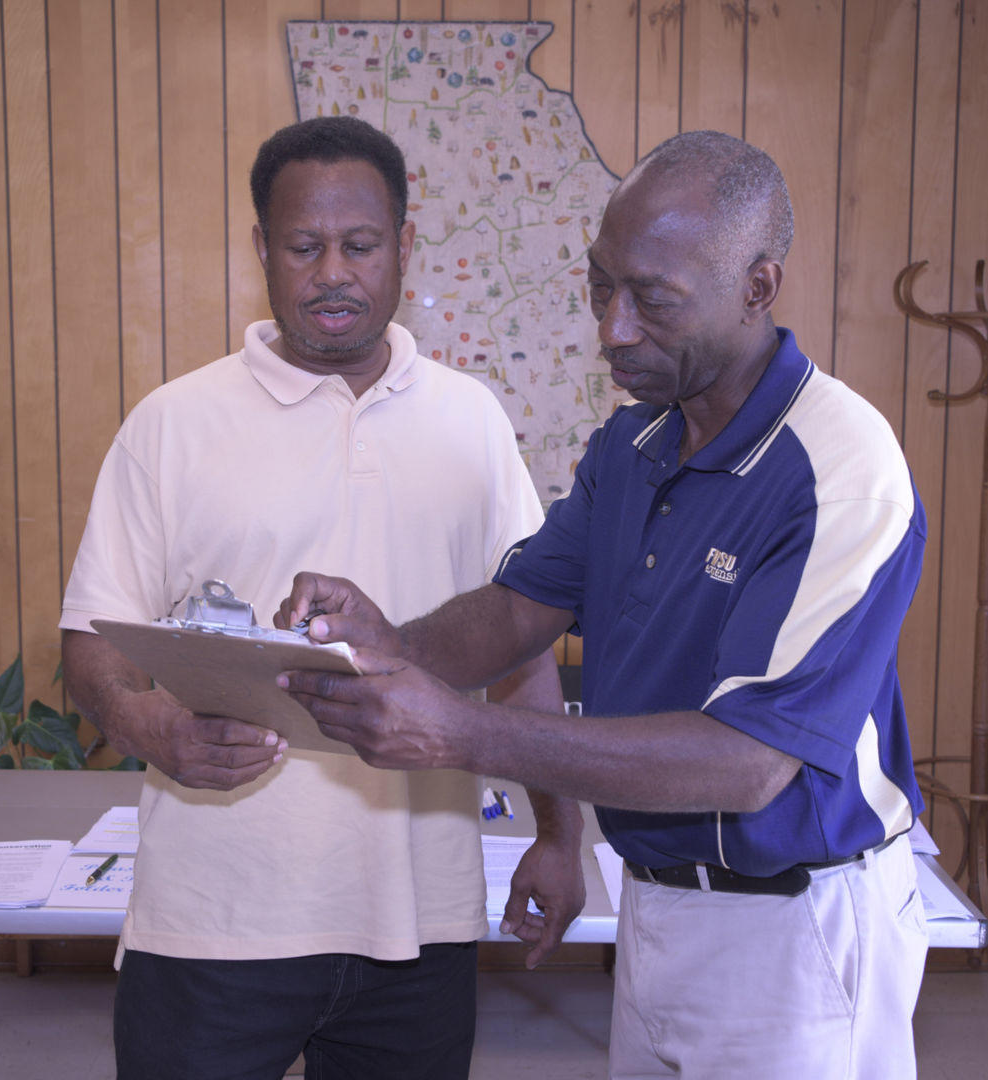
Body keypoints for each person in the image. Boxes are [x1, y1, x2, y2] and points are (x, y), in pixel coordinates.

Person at [276, 130, 930, 1079]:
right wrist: (384, 644)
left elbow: (749, 764)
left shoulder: (839, 469)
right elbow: (512, 614)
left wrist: (461, 734)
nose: (612, 330)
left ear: (756, 286)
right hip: (656, 904)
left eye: (652, 300)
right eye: (599, 288)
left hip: (800, 934)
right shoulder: (631, 447)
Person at [59, 115, 584, 1080]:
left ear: (404, 247)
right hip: (212, 924)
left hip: (418, 926)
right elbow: (90, 647)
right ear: (262, 247)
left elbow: (518, 646)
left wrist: (557, 832)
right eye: (303, 247)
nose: (333, 272)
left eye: (360, 245)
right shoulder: (171, 424)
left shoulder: (472, 422)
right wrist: (151, 726)